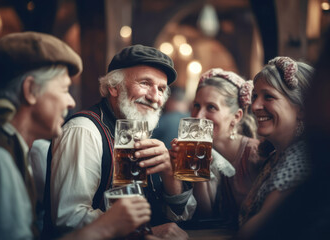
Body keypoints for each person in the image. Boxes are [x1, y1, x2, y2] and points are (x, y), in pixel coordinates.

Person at [0, 31, 151, 240]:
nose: (71, 102)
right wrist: (107, 226)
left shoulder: (15, 148)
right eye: (65, 89)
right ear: (30, 90)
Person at [43, 45, 195, 238]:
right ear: (113, 87)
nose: (155, 97)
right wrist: (144, 233)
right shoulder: (83, 130)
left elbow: (183, 215)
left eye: (161, 89)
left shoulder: (138, 132)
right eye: (145, 83)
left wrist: (169, 173)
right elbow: (69, 219)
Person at [236, 56, 314, 238]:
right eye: (255, 96)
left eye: (268, 97)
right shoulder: (278, 156)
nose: (254, 106)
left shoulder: (301, 159)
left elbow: (257, 232)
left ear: (302, 109)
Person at [175, 68, 262, 228]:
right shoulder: (199, 150)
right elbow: (205, 216)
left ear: (236, 117)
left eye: (211, 107)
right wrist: (197, 171)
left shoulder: (255, 154)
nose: (198, 115)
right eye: (196, 105)